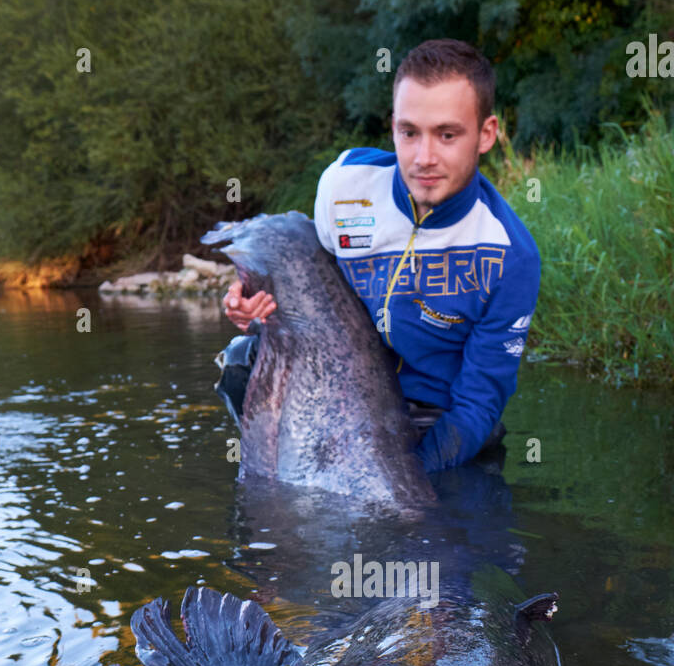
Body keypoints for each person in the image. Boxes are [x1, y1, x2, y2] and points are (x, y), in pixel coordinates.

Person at [221, 38, 540, 473]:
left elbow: (478, 403)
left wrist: (396, 483)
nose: (424, 158)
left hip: (431, 416)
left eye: (447, 135)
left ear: (486, 135)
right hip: (344, 389)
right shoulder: (343, 186)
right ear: (392, 127)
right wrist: (253, 296)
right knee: (241, 357)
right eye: (409, 133)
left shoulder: (512, 257)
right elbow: (310, 281)